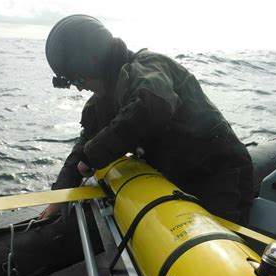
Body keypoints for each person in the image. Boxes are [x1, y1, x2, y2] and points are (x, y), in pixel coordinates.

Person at [39, 14, 253, 224]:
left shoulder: (149, 67)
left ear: (94, 63)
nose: (79, 87)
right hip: (177, 175)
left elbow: (154, 106)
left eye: (78, 78)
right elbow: (84, 145)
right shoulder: (103, 99)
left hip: (220, 171)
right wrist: (60, 195)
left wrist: (93, 155)